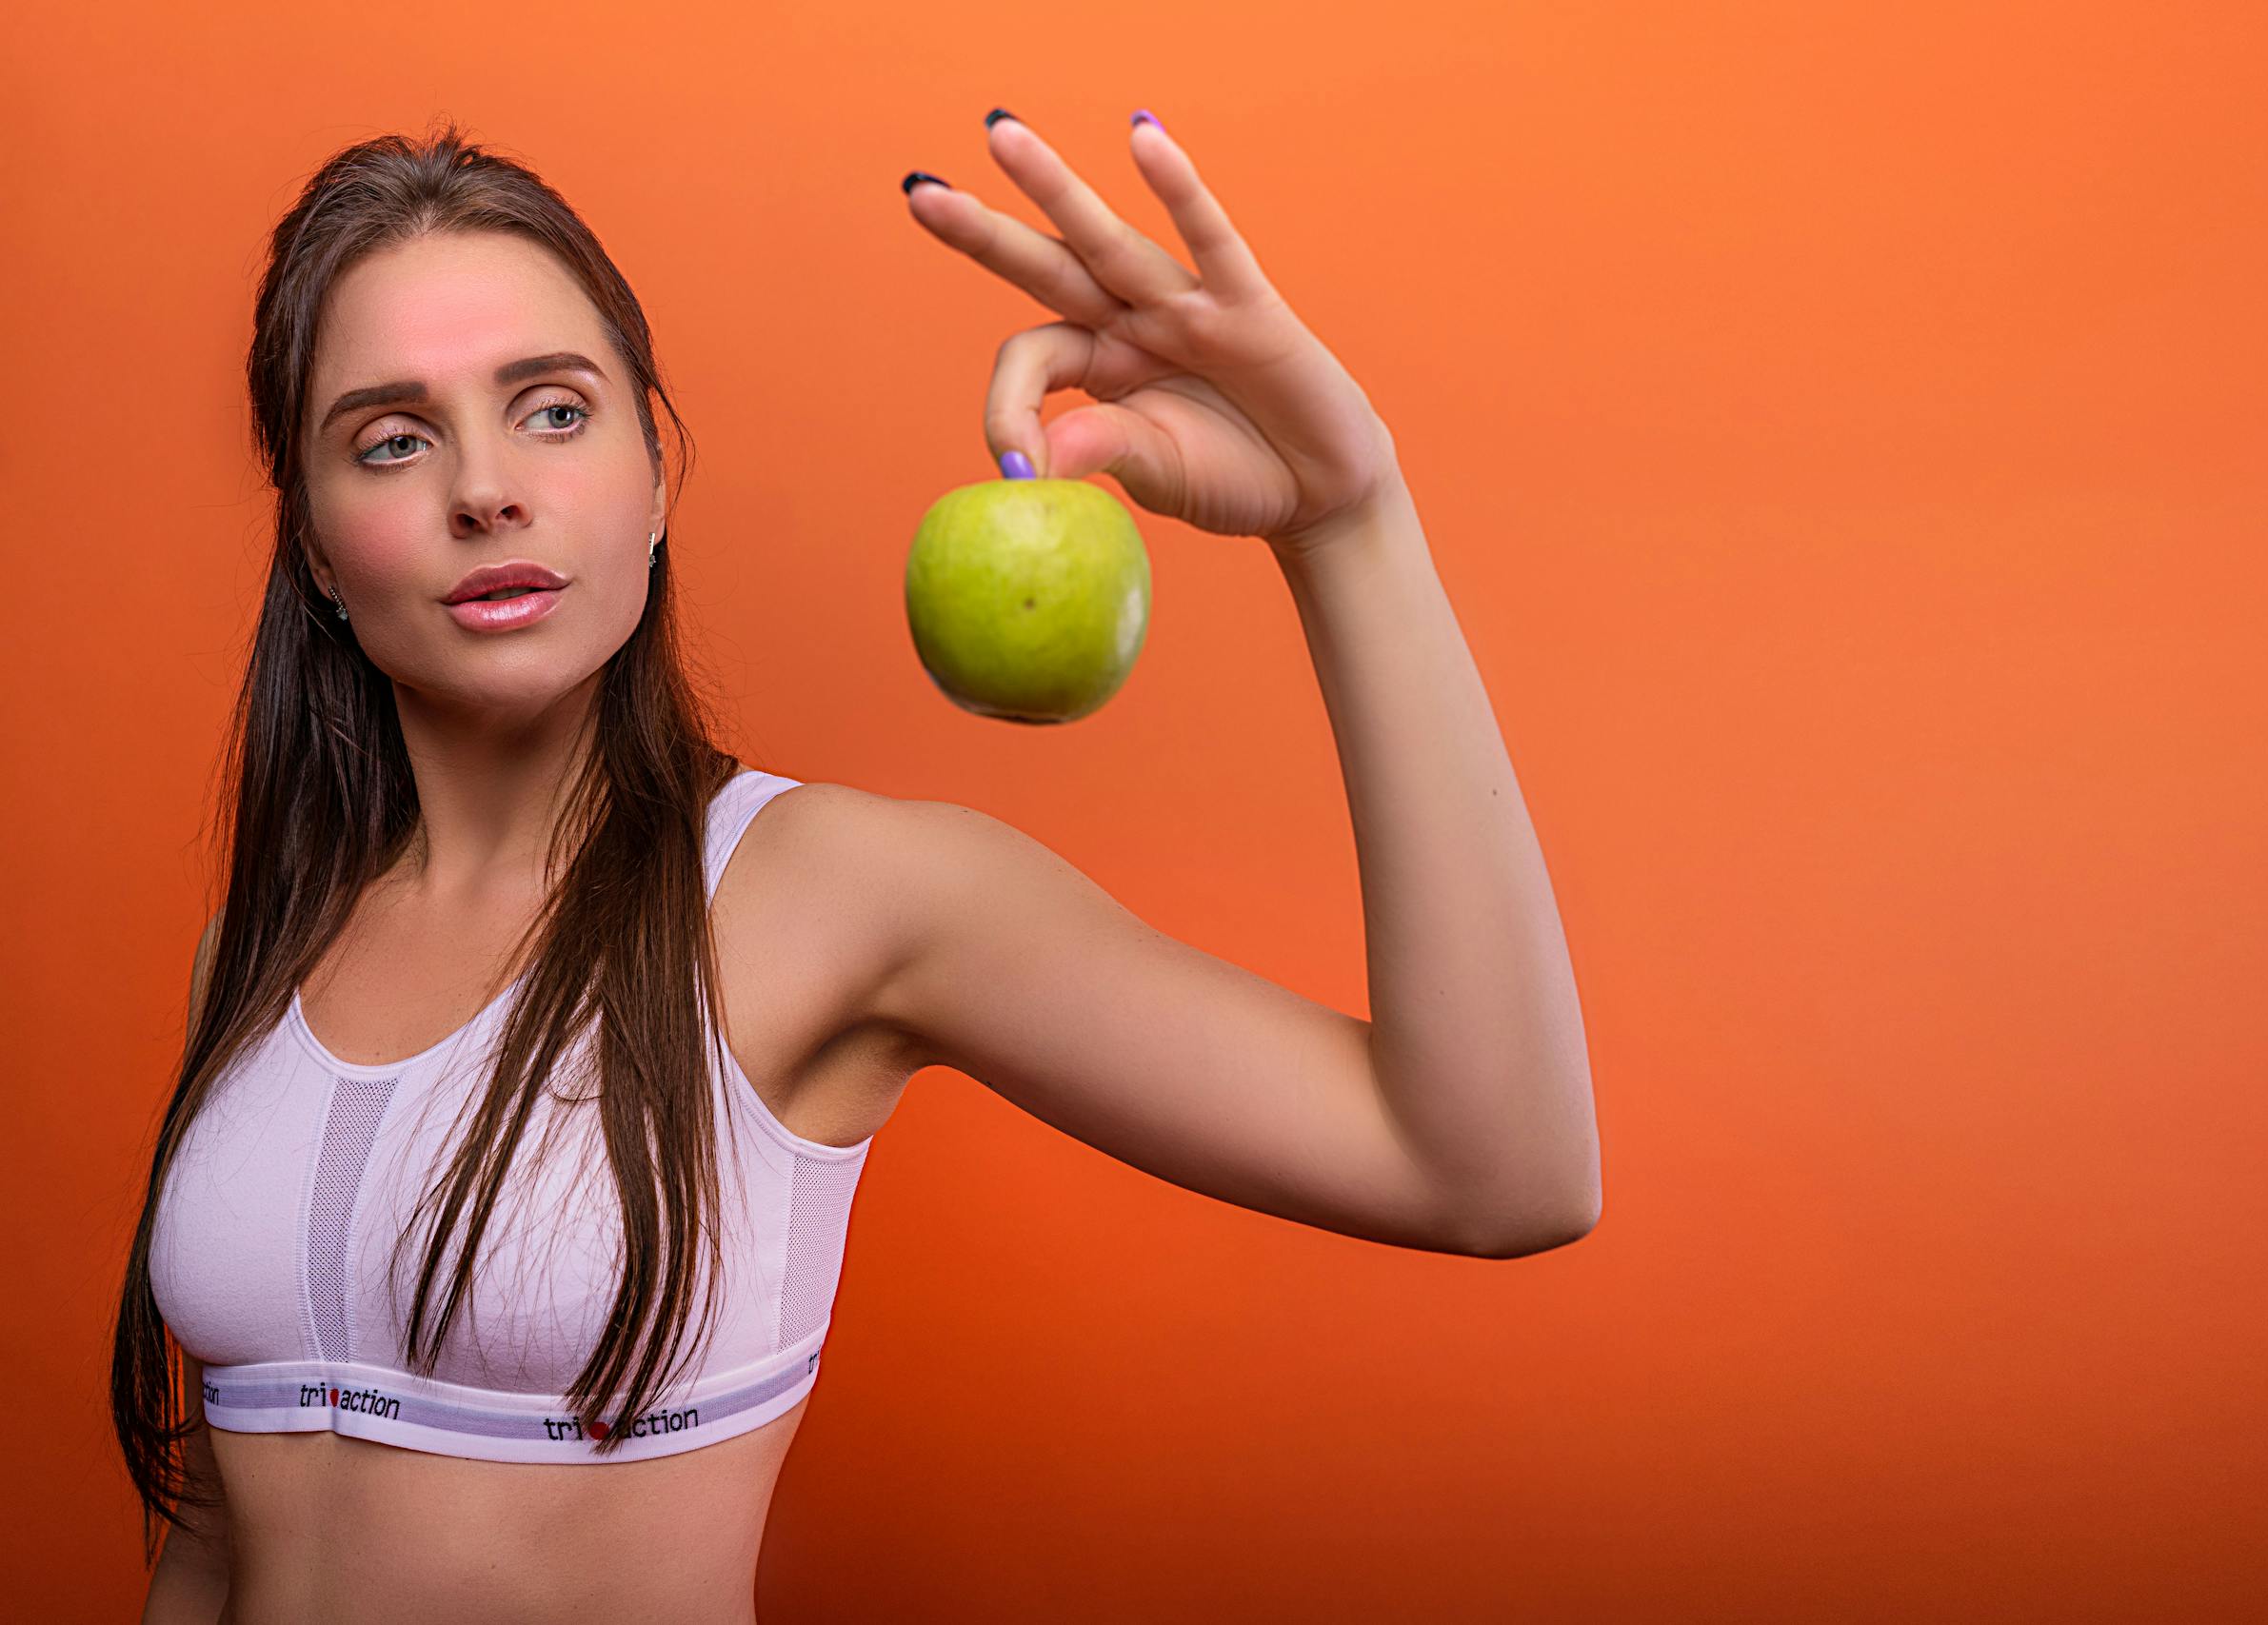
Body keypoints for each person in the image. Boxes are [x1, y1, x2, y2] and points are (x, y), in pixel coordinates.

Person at [121, 114, 1599, 1622]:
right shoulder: (262, 948)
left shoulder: (827, 896)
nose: (486, 488)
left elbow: (1493, 1168)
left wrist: (1351, 521)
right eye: (392, 438)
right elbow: (223, 1547)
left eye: (553, 411)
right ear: (311, 542)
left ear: (654, 472)